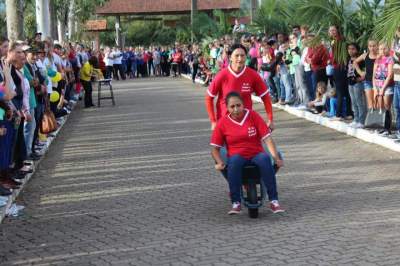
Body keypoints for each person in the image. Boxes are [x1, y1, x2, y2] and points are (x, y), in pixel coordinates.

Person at [210, 92, 284, 215]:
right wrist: (219, 162)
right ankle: (236, 203)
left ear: (243, 105)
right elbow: (214, 148)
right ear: (227, 108)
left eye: (238, 105)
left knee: (265, 159)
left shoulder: (253, 116)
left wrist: (276, 158)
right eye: (232, 107)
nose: (236, 109)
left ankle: (274, 201)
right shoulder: (222, 123)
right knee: (233, 163)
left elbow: (267, 139)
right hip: (237, 155)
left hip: (256, 153)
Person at [205, 43, 274, 131]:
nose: (240, 59)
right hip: (225, 124)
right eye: (236, 55)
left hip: (246, 123)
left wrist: (270, 119)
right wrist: (213, 121)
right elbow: (209, 97)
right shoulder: (222, 75)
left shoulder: (252, 75)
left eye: (242, 55)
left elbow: (265, 97)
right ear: (230, 57)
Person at [373, 42, 394, 135]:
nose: (382, 50)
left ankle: (387, 128)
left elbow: (389, 75)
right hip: (377, 86)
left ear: (388, 49)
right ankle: (380, 126)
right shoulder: (377, 59)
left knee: (386, 107)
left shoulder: (390, 59)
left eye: (384, 48)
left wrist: (383, 88)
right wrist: (375, 87)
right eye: (380, 49)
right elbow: (374, 75)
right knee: (379, 106)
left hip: (387, 86)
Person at [354, 40, 379, 110]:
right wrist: (360, 72)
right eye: (370, 46)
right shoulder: (365, 55)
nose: (372, 48)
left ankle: (379, 119)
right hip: (367, 81)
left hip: (378, 82)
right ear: (368, 47)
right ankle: (372, 120)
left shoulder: (379, 56)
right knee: (370, 104)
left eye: (374, 46)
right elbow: (355, 62)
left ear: (377, 46)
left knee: (376, 104)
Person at [346, 43, 366, 128]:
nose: (351, 50)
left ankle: (361, 121)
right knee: (353, 102)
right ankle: (356, 119)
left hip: (358, 83)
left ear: (357, 50)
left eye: (353, 49)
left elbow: (366, 71)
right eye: (349, 49)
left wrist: (361, 79)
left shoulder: (361, 60)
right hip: (350, 83)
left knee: (359, 102)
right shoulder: (348, 59)